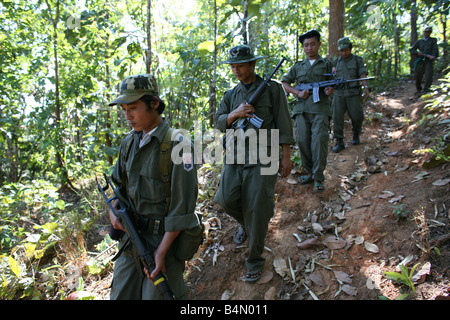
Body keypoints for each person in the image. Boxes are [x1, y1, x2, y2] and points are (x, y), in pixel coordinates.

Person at [107, 74, 199, 300]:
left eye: (133, 108)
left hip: (162, 244)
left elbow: (182, 208)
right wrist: (113, 212)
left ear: (154, 104)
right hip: (131, 240)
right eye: (124, 109)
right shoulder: (129, 142)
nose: (127, 116)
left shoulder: (180, 145)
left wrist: (161, 252)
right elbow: (117, 186)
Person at [214, 45, 295, 283]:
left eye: (241, 65)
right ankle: (246, 225)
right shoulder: (231, 95)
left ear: (252, 65)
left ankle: (255, 260)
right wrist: (234, 114)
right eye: (233, 66)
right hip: (235, 154)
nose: (236, 70)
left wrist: (286, 154)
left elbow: (283, 121)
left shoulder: (272, 89)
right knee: (225, 199)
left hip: (264, 156)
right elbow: (218, 121)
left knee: (258, 208)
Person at [281, 29, 334, 192]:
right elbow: (284, 83)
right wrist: (298, 92)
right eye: (306, 45)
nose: (309, 48)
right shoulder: (298, 67)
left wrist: (329, 89)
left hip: (320, 109)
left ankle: (318, 177)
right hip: (301, 110)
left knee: (319, 142)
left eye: (312, 44)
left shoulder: (327, 64)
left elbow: (332, 82)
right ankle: (310, 172)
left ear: (319, 44)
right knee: (303, 141)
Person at [331, 36, 369, 153]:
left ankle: (356, 133)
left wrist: (365, 86)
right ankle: (339, 141)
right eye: (341, 51)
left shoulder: (357, 60)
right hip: (339, 93)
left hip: (353, 93)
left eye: (346, 50)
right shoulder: (336, 62)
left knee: (357, 116)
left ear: (350, 49)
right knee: (337, 117)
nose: (344, 53)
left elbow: (362, 73)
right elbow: (330, 77)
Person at [409, 26, 439, 93]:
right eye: (426, 32)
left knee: (428, 76)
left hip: (428, 61)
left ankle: (426, 89)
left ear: (430, 33)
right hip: (420, 61)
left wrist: (433, 56)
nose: (427, 33)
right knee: (418, 76)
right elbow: (412, 50)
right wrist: (417, 53)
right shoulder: (419, 42)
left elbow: (435, 50)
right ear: (424, 33)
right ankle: (419, 89)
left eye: (428, 32)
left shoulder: (433, 40)